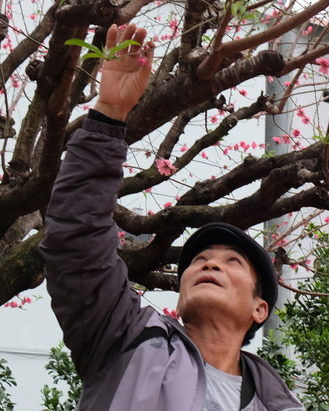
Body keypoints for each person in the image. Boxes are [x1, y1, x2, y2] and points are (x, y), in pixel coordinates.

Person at [40, 23, 304, 411]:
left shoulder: (278, 404)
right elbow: (75, 242)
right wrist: (109, 114)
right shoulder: (126, 339)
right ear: (178, 299)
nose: (210, 262)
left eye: (231, 261)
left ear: (259, 309)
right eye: (199, 260)